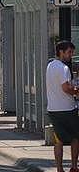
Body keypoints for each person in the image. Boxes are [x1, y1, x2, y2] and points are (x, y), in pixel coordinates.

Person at [47, 40, 79, 172]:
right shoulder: (64, 68)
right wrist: (76, 91)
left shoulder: (50, 66)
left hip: (53, 109)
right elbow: (66, 88)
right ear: (61, 52)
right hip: (67, 108)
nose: (71, 55)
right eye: (69, 52)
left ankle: (59, 169)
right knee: (76, 137)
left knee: (58, 140)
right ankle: (74, 166)